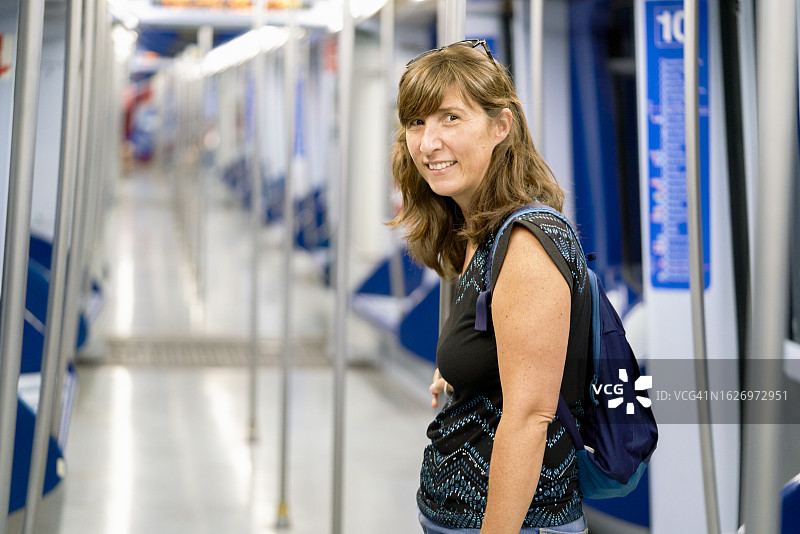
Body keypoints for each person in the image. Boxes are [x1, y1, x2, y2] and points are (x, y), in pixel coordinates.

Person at [390, 40, 592, 534]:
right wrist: (462, 365)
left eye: (450, 119)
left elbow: (529, 418)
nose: (428, 142)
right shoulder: (480, 233)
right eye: (417, 122)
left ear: (501, 126)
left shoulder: (525, 242)